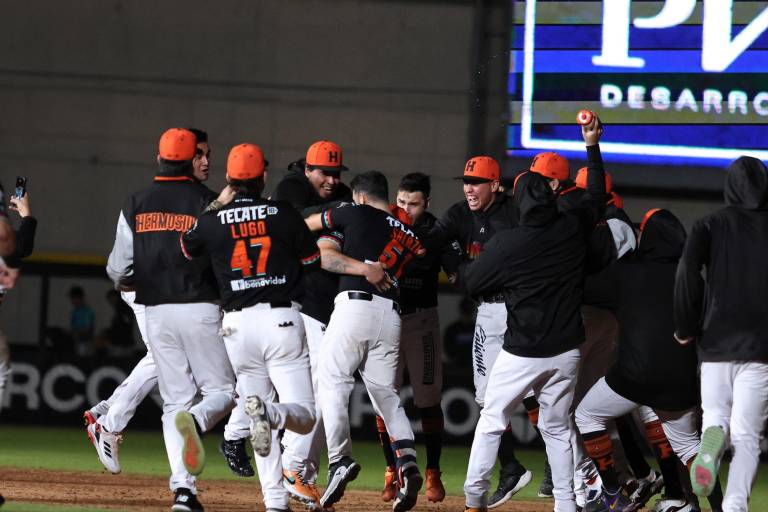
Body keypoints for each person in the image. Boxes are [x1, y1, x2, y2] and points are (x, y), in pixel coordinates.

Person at [461, 115, 607, 512]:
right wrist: (591, 146)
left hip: (523, 351)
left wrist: (495, 272)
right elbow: (595, 198)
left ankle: (474, 497)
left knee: (492, 418)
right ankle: (565, 503)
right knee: (558, 428)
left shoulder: (510, 243)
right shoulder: (571, 228)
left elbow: (471, 282)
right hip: (566, 349)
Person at [181, 143, 320, 512]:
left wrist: (216, 207)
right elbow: (312, 259)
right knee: (303, 415)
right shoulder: (284, 213)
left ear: (229, 178)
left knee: (258, 409)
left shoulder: (213, 220)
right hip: (280, 321)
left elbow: (186, 246)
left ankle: (275, 502)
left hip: (237, 328)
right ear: (263, 177)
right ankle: (269, 414)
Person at [102, 127, 236, 512]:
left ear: (161, 158)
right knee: (223, 393)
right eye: (201, 155)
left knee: (174, 401)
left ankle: (183, 491)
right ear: (191, 158)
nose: (206, 161)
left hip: (156, 310)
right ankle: (194, 423)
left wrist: (142, 280)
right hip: (199, 305)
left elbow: (117, 268)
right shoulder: (210, 202)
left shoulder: (136, 202)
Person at [576, 209, 721, 512]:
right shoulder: (694, 279)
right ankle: (722, 508)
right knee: (690, 447)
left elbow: (582, 288)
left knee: (587, 415)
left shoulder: (627, 274)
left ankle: (614, 494)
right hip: (681, 381)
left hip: (634, 378)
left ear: (650, 238)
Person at [304, 170, 425, 511]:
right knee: (386, 396)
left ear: (358, 195)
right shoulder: (408, 233)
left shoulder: (352, 210)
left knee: (332, 381)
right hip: (392, 315)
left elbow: (315, 235)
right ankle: (408, 463)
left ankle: (340, 459)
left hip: (355, 306)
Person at [430, 155, 532, 508]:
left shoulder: (514, 212)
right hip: (489, 311)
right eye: (466, 181)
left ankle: (577, 475)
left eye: (477, 182)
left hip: (519, 309)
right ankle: (511, 468)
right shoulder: (460, 214)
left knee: (541, 395)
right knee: (488, 397)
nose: (469, 188)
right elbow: (433, 241)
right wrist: (453, 265)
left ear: (495, 185)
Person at [675, 156, 768, 511]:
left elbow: (686, 272)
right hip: (761, 347)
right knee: (747, 438)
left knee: (715, 417)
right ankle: (734, 506)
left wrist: (685, 325)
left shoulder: (709, 224)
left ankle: (710, 450)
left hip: (715, 342)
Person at [272, 141, 352, 510]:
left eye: (337, 173)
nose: (332, 180)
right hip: (297, 303)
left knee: (323, 392)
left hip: (325, 306)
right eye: (325, 172)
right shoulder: (292, 187)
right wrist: (340, 211)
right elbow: (290, 221)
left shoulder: (342, 194)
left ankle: (301, 473)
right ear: (308, 170)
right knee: (320, 391)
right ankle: (291, 468)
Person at [376, 173, 460, 504]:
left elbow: (456, 270)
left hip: (421, 318)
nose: (407, 209)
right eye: (402, 202)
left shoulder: (437, 232)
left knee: (427, 397)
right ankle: (391, 471)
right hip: (386, 316)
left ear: (426, 203)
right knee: (385, 397)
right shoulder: (383, 225)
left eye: (414, 203)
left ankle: (433, 472)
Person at [443, 297, 477, 366]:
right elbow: (448, 349)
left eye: (469, 313)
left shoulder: (477, 329)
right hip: (458, 365)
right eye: (465, 312)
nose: (467, 316)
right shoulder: (451, 330)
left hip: (473, 366)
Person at [69, 286, 95, 357]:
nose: (72, 301)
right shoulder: (75, 311)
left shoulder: (87, 311)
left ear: (79, 298)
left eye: (73, 298)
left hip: (85, 342)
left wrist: (75, 331)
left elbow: (87, 329)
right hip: (77, 341)